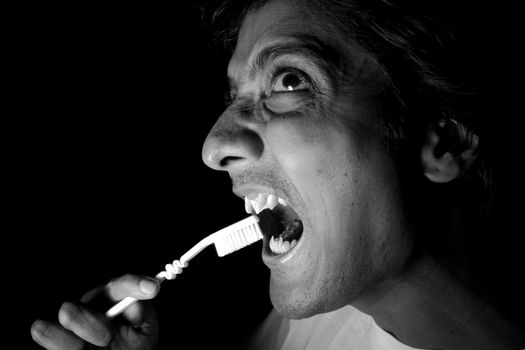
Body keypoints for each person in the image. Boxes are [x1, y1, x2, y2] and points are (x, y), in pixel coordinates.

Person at [31, 0, 525, 349]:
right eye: (233, 97)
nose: (214, 147)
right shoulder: (307, 327)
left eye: (289, 81)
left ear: (442, 144)